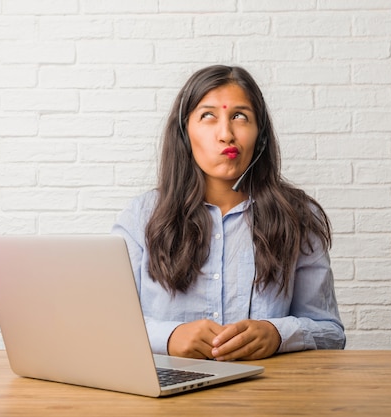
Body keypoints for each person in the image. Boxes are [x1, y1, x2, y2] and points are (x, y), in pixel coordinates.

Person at [112, 65, 345, 361]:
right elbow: (107, 326)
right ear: (184, 133)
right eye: (208, 116)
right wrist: (168, 337)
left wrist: (277, 334)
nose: (226, 134)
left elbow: (331, 333)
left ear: (259, 136)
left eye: (239, 116)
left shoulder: (298, 216)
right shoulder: (140, 218)